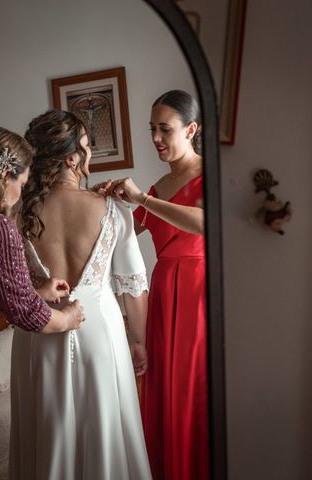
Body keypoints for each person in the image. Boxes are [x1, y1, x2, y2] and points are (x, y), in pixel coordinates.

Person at [9, 109, 152, 480]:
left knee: (45, 432)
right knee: (104, 431)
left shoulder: (17, 214)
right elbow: (134, 287)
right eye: (87, 147)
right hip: (99, 337)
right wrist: (139, 342)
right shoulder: (111, 210)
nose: (90, 156)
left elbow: (10, 287)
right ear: (71, 158)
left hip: (38, 336)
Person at [0, 126, 85, 480]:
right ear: (5, 175)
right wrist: (68, 317)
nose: (20, 194)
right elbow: (26, 315)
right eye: (22, 184)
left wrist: (38, 291)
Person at [99, 90, 208, 480]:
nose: (157, 138)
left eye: (166, 129)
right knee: (163, 385)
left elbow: (201, 221)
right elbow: (125, 234)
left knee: (190, 386)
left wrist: (142, 197)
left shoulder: (205, 176)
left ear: (191, 129)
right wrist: (108, 205)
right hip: (164, 291)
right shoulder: (163, 184)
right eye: (152, 130)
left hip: (197, 290)